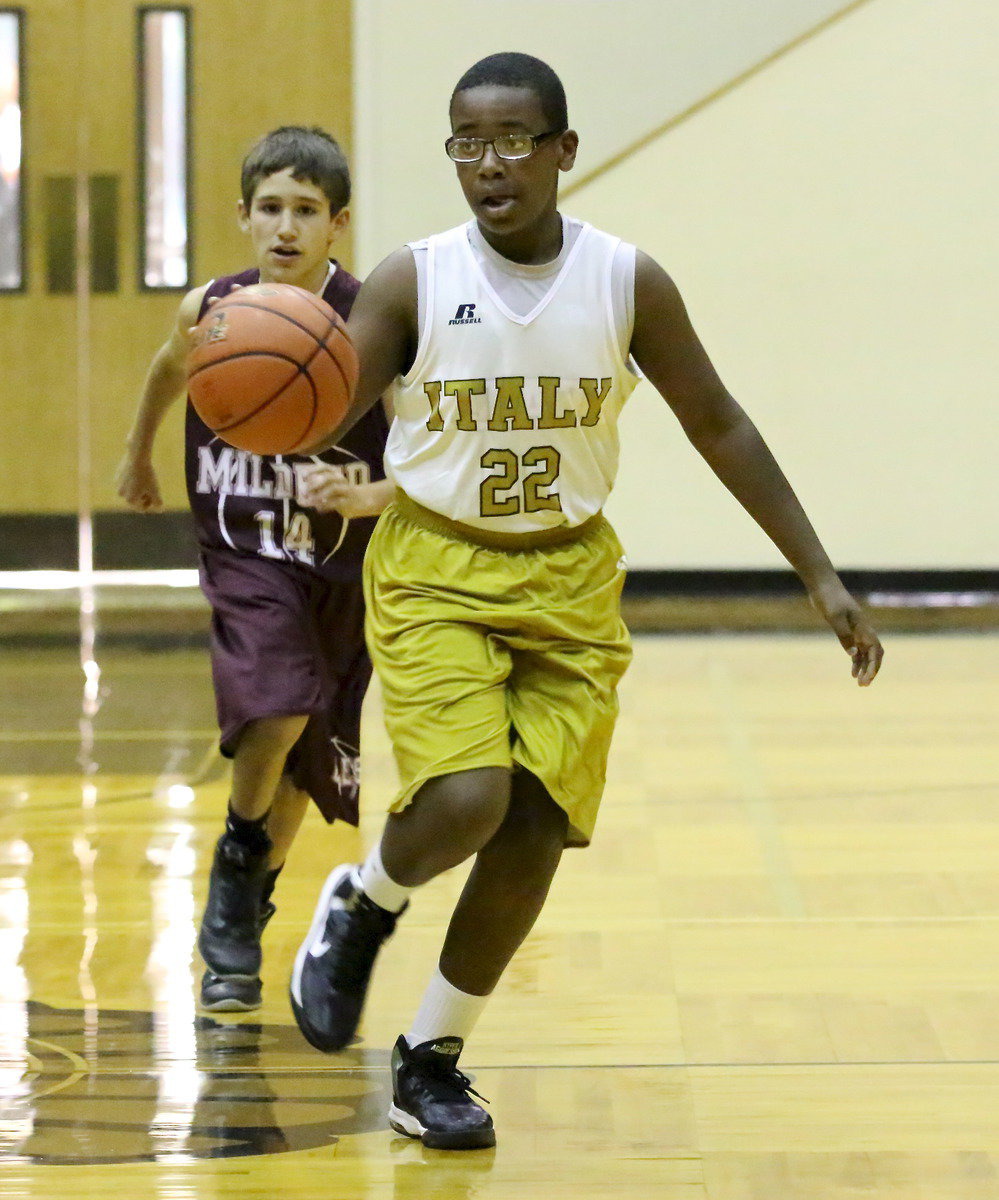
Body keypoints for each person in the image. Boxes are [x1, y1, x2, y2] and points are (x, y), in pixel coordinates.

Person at [288, 54, 884, 1150]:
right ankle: (364, 901)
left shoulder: (626, 280)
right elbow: (322, 399)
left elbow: (721, 422)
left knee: (535, 831)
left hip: (568, 574)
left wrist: (818, 571)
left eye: (514, 139)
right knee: (467, 799)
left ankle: (431, 1059)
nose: (489, 163)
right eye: (468, 141)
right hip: (437, 567)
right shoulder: (413, 279)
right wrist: (263, 400)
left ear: (564, 151)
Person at [115, 126, 394, 1013]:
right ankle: (236, 873)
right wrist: (140, 457)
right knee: (276, 703)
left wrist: (375, 495)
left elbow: (431, 449)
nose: (285, 227)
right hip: (243, 544)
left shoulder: (373, 321)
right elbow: (168, 371)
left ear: (337, 223)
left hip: (341, 563)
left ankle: (241, 917)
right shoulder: (214, 309)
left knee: (310, 760)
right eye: (269, 208)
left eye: (305, 211)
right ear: (243, 216)